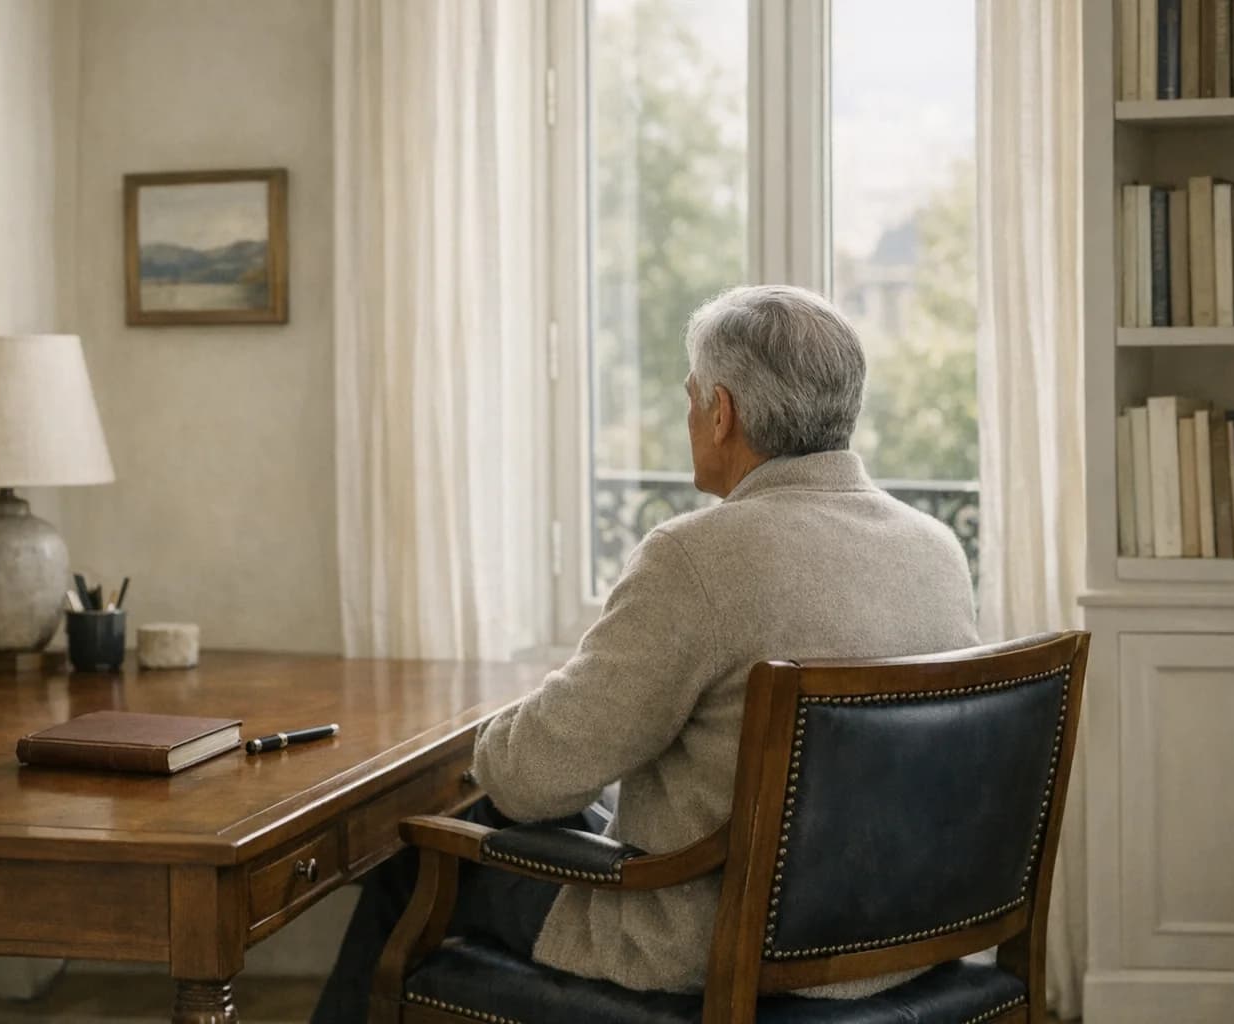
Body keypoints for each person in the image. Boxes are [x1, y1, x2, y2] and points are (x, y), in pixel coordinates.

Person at [312, 284, 979, 1021]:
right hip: (899, 931)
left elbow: (530, 779)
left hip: (709, 945)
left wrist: (499, 741)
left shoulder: (698, 558)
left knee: (416, 862)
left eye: (691, 399)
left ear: (721, 412)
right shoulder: (935, 550)